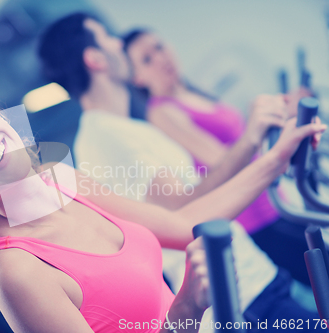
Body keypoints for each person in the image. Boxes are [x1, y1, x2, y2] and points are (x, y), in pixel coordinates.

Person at [37, 12, 326, 332]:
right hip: (243, 297)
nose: (119, 44)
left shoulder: (124, 128)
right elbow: (182, 209)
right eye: (108, 37)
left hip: (253, 279)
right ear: (95, 58)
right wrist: (262, 146)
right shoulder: (107, 136)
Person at [0, 83, 217, 333]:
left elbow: (185, 226)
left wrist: (267, 163)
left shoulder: (61, 179)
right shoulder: (17, 273)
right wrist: (187, 305)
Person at [122, 29, 314, 283]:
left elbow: (245, 141)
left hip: (275, 203)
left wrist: (281, 113)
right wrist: (263, 120)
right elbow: (222, 159)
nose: (160, 57)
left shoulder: (195, 93)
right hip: (255, 220)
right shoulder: (161, 112)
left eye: (159, 47)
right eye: (147, 59)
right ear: (137, 77)